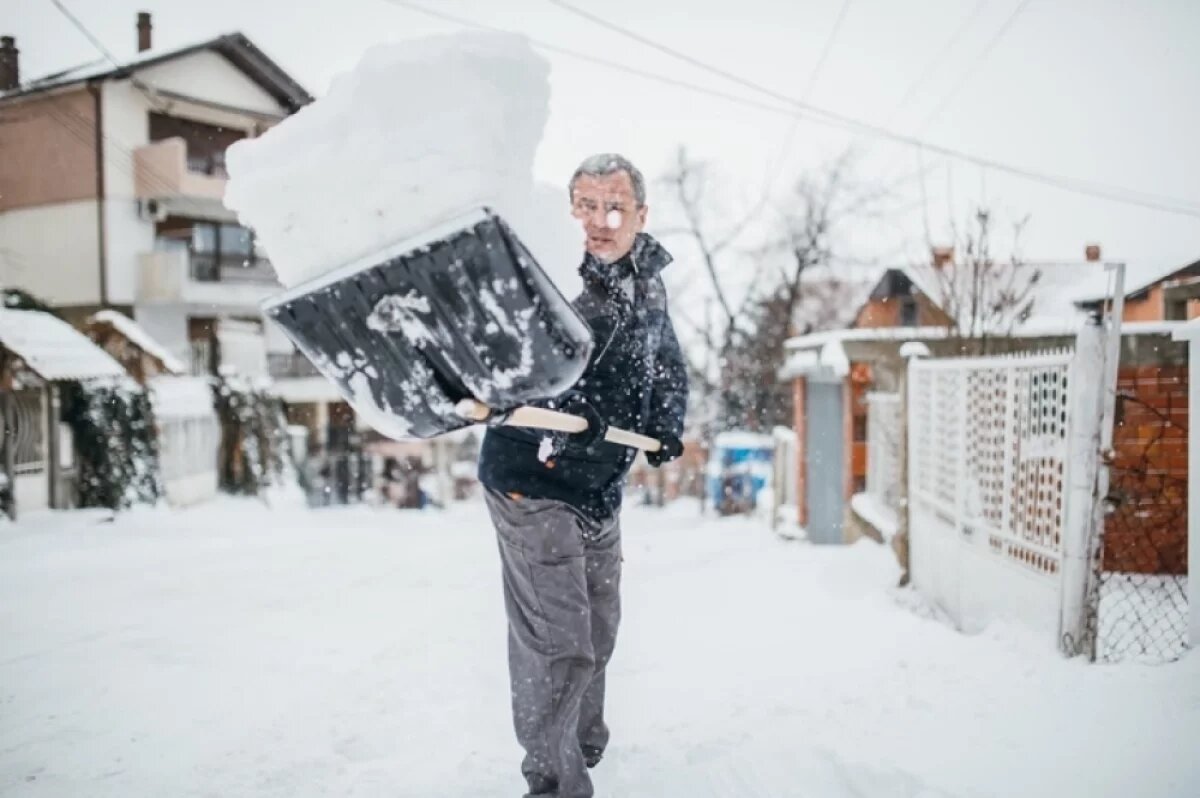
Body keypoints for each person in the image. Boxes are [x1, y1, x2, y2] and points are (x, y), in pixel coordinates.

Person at [477, 153, 688, 798]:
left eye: (615, 206)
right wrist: (577, 409)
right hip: (531, 475)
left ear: (640, 216)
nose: (600, 221)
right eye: (585, 205)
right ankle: (554, 782)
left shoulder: (647, 279)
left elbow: (665, 358)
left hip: (599, 483)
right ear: (564, 211)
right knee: (558, 637)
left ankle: (581, 747)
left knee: (599, 626)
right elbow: (510, 365)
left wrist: (666, 420)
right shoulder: (544, 269)